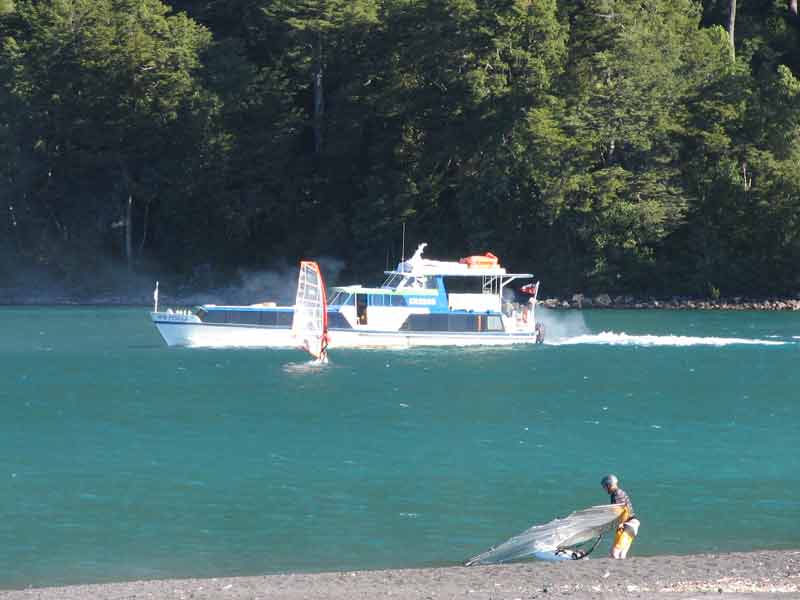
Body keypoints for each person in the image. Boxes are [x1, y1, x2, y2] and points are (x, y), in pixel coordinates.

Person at [601, 474, 640, 559]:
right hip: (632, 525)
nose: (604, 489)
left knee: (614, 552)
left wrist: (620, 524)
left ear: (609, 485)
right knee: (622, 555)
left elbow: (623, 510)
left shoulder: (617, 494)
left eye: (605, 486)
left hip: (628, 525)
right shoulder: (618, 492)